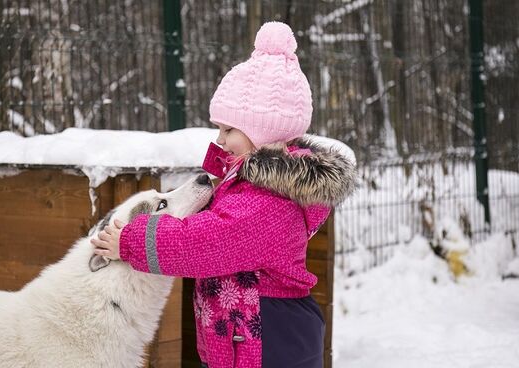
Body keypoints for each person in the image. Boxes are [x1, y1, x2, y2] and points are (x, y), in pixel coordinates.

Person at [91, 21, 356, 368]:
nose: (220, 139)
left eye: (228, 129)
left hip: (268, 340)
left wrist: (131, 242)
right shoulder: (254, 187)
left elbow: (207, 241)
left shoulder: (269, 202)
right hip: (246, 336)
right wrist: (222, 168)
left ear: (264, 132)